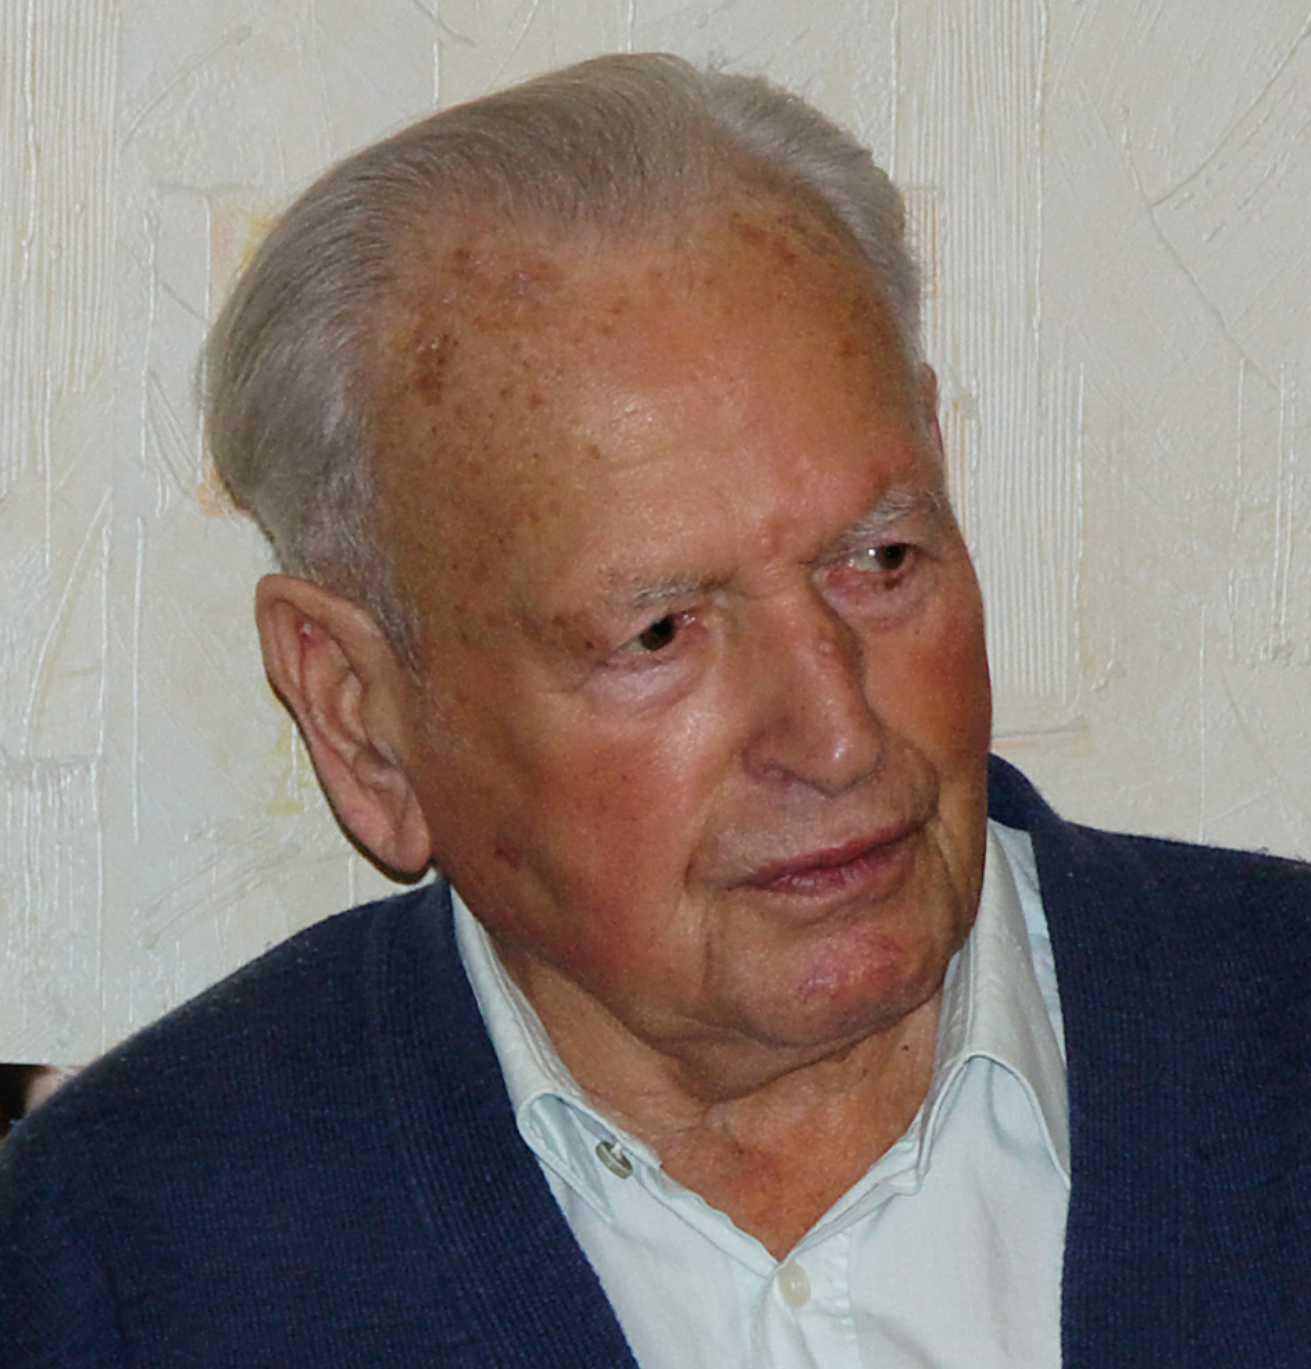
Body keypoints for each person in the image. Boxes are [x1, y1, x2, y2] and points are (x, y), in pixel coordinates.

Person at [1, 52, 1309, 1367]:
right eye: (660, 632)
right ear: (361, 718)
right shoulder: (121, 1264)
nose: (837, 736)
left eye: (882, 559)